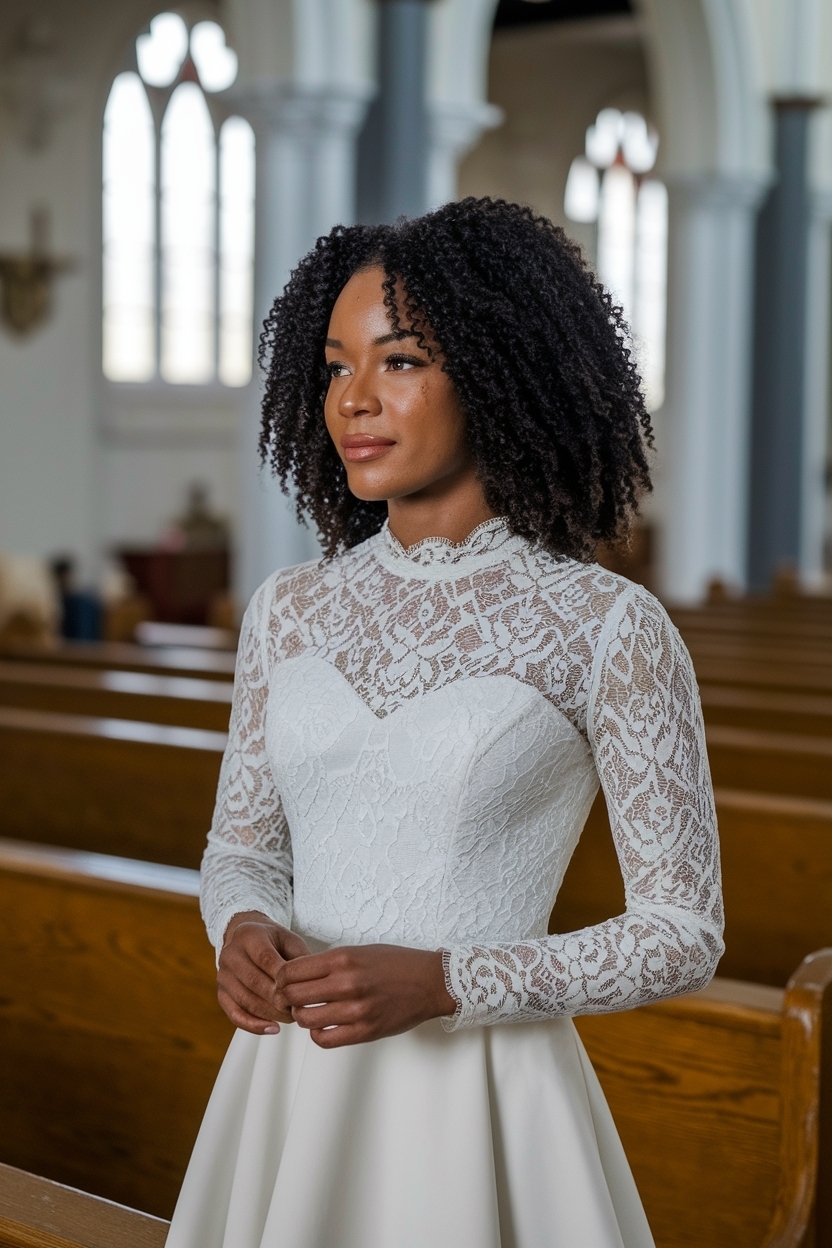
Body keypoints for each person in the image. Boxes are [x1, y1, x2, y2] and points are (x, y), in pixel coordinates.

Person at [166, 198, 722, 1248]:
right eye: (334, 367)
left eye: (401, 360)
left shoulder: (607, 627)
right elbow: (242, 846)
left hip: (483, 1098)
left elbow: (683, 934)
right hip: (292, 1083)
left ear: (504, 373)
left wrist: (448, 980)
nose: (354, 402)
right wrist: (238, 924)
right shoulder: (289, 609)